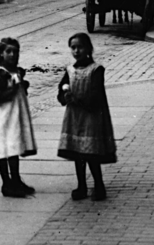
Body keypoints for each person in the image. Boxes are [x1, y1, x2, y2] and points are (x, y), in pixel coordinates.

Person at [57, 32, 116, 201]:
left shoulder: (96, 70)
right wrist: (64, 96)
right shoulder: (70, 70)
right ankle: (81, 185)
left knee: (91, 153)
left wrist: (78, 99)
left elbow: (96, 95)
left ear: (88, 49)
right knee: (78, 153)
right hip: (74, 118)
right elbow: (61, 88)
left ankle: (98, 184)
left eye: (80, 47)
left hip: (91, 117)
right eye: (73, 48)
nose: (76, 51)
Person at [0, 37, 37, 198]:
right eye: (8, 51)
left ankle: (15, 179)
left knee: (13, 147)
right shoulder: (1, 74)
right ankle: (6, 183)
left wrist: (23, 85)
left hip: (14, 116)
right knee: (3, 149)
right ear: (1, 53)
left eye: (15, 51)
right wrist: (12, 90)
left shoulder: (15, 71)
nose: (12, 55)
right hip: (3, 118)